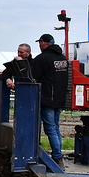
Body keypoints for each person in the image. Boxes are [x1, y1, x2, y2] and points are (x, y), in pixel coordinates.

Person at [31, 33, 68, 167]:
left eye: (39, 43)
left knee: (50, 128)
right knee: (56, 127)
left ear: (43, 43)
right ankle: (58, 156)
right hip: (59, 99)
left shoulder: (43, 59)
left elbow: (34, 75)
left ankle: (57, 157)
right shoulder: (62, 58)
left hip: (47, 99)